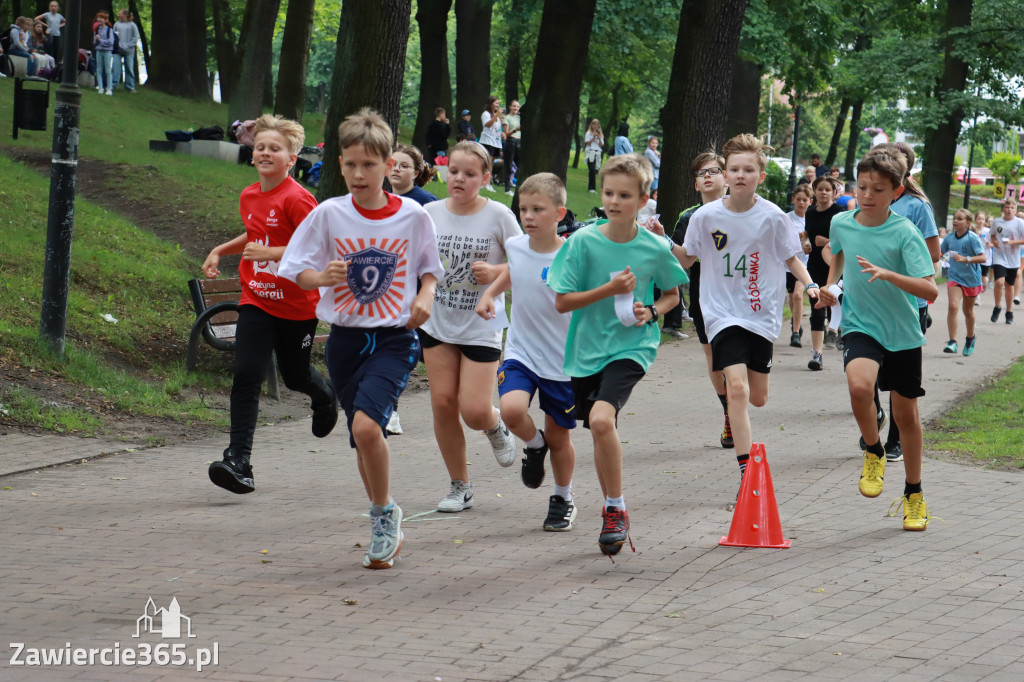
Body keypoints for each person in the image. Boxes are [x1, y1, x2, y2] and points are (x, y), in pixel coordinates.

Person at [279, 108, 444, 569]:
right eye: (349, 164)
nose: (357, 173)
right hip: (345, 340)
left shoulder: (413, 216)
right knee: (360, 435)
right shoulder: (329, 214)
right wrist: (321, 276)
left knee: (369, 427)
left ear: (389, 165)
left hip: (395, 338)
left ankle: (383, 515)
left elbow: (431, 269)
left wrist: (426, 296)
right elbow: (296, 270)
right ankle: (383, 508)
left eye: (367, 165)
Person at [547, 153, 688, 556]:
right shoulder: (583, 242)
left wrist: (652, 312)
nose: (613, 201)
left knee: (601, 419)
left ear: (643, 200)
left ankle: (615, 510)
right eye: (608, 192)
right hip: (586, 350)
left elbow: (671, 294)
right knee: (596, 428)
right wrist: (608, 291)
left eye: (624, 195)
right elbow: (562, 303)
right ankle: (613, 505)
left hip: (632, 346)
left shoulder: (653, 247)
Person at [201, 114, 339, 498]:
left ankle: (324, 395)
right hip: (257, 298)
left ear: (291, 158)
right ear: (252, 153)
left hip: (297, 306)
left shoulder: (298, 198)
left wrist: (271, 251)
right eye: (260, 146)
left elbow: (318, 247)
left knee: (296, 377)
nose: (265, 152)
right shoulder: (249, 195)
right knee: (246, 374)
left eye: (274, 148)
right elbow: (255, 233)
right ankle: (238, 461)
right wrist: (220, 249)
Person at [675, 134, 816, 489]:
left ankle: (744, 432)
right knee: (735, 389)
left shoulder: (772, 217)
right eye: (734, 169)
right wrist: (657, 244)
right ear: (724, 174)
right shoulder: (705, 216)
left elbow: (789, 258)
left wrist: (811, 285)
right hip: (721, 313)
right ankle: (745, 470)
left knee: (758, 397)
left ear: (760, 177)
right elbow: (686, 259)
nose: (740, 175)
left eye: (748, 169)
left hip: (761, 315)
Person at [815, 147, 938, 531]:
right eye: (862, 187)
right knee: (859, 387)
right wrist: (829, 286)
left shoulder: (905, 232)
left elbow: (929, 290)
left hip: (902, 333)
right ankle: (874, 449)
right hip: (860, 324)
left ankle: (914, 494)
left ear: (896, 192)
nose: (867, 195)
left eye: (878, 189)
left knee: (906, 417)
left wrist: (889, 275)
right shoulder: (842, 223)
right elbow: (837, 256)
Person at [419, 140, 521, 514]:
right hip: (438, 322)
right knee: (443, 403)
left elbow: (523, 262)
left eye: (469, 173)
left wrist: (495, 274)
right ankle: (460, 485)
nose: (458, 179)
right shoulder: (428, 212)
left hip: (482, 324)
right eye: (454, 171)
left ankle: (495, 426)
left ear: (485, 177)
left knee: (474, 410)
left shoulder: (499, 216)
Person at [475, 172, 578, 531]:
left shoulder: (572, 253)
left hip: (562, 363)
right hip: (521, 351)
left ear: (559, 214)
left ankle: (562, 497)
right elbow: (513, 271)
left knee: (561, 436)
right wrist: (489, 293)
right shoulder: (517, 245)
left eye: (538, 209)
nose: (528, 216)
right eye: (523, 209)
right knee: (512, 410)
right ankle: (535, 446)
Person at [669, 152, 730, 448]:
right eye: (701, 173)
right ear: (695, 184)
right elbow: (685, 262)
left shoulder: (742, 212)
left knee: (737, 361)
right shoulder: (688, 217)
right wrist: (665, 242)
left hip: (740, 298)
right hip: (704, 299)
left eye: (714, 170)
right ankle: (730, 412)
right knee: (714, 358)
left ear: (727, 178)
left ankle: (737, 402)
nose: (707, 176)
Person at [804, 176, 843, 369]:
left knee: (839, 305)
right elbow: (807, 234)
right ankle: (817, 354)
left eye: (828, 190)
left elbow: (846, 241)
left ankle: (839, 334)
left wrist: (827, 242)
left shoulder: (840, 214)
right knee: (817, 309)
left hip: (835, 266)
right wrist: (806, 243)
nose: (824, 193)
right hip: (815, 266)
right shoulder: (810, 213)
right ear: (815, 191)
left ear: (834, 193)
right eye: (820, 189)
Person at [941, 208, 985, 356]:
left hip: (972, 279)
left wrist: (966, 259)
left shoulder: (972, 238)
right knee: (953, 306)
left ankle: (970, 338)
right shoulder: (949, 238)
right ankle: (952, 342)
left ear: (968, 223)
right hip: (955, 277)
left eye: (959, 219)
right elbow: (939, 252)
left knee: (968, 311)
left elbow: (983, 258)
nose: (955, 221)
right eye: (954, 218)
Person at [988, 198, 1024, 325]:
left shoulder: (1020, 223)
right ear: (1003, 209)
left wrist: (1012, 242)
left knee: (1009, 286)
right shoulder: (997, 222)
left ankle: (1009, 312)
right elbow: (992, 235)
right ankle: (997, 307)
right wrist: (995, 241)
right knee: (999, 282)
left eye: (1012, 208)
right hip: (999, 257)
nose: (1009, 210)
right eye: (1007, 207)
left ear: (1015, 210)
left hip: (1013, 258)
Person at [786, 183, 813, 347]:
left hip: (805, 263)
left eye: (805, 200)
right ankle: (796, 324)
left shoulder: (811, 218)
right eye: (799, 200)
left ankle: (795, 334)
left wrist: (807, 239)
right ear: (793, 200)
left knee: (798, 295)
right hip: (787, 263)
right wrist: (796, 236)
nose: (801, 203)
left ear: (810, 201)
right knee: (792, 298)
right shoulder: (787, 218)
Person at [479, 96, 504, 192]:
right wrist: (496, 115)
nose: (498, 105)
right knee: (487, 162)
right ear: (491, 103)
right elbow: (488, 125)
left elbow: (495, 127)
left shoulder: (495, 115)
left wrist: (502, 133)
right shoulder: (486, 114)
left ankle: (487, 183)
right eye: (496, 103)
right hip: (487, 141)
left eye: (498, 103)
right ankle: (485, 183)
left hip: (496, 142)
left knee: (491, 164)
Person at [111, 9, 139, 92]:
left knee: (129, 68)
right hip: (118, 50)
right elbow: (113, 36)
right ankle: (113, 85)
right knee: (115, 67)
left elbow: (135, 38)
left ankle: (130, 87)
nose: (118, 15)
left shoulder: (132, 25)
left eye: (120, 14)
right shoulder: (116, 24)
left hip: (129, 51)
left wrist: (127, 46)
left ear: (125, 15)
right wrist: (116, 45)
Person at [502, 100, 521, 195]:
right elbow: (506, 133)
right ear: (510, 107)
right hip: (510, 142)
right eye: (514, 106)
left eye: (517, 107)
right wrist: (515, 130)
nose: (516, 108)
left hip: (519, 142)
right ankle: (507, 189)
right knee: (509, 166)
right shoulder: (507, 118)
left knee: (520, 166)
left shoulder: (519, 117)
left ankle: (520, 187)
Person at [92, 11, 114, 95]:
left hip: (107, 52)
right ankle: (100, 88)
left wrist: (101, 41)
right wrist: (97, 41)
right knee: (99, 70)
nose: (99, 19)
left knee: (108, 70)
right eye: (98, 18)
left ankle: (109, 89)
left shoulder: (109, 30)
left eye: (101, 18)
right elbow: (94, 42)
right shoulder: (96, 29)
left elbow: (111, 42)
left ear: (105, 20)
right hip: (99, 51)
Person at [584, 119, 604, 194]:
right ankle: (591, 188)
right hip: (590, 152)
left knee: (595, 171)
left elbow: (601, 145)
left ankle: (592, 187)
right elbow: (588, 143)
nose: (595, 126)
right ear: (591, 125)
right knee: (591, 169)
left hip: (597, 153)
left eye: (597, 125)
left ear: (598, 126)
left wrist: (599, 137)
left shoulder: (600, 134)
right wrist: (593, 137)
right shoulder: (588, 133)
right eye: (593, 124)